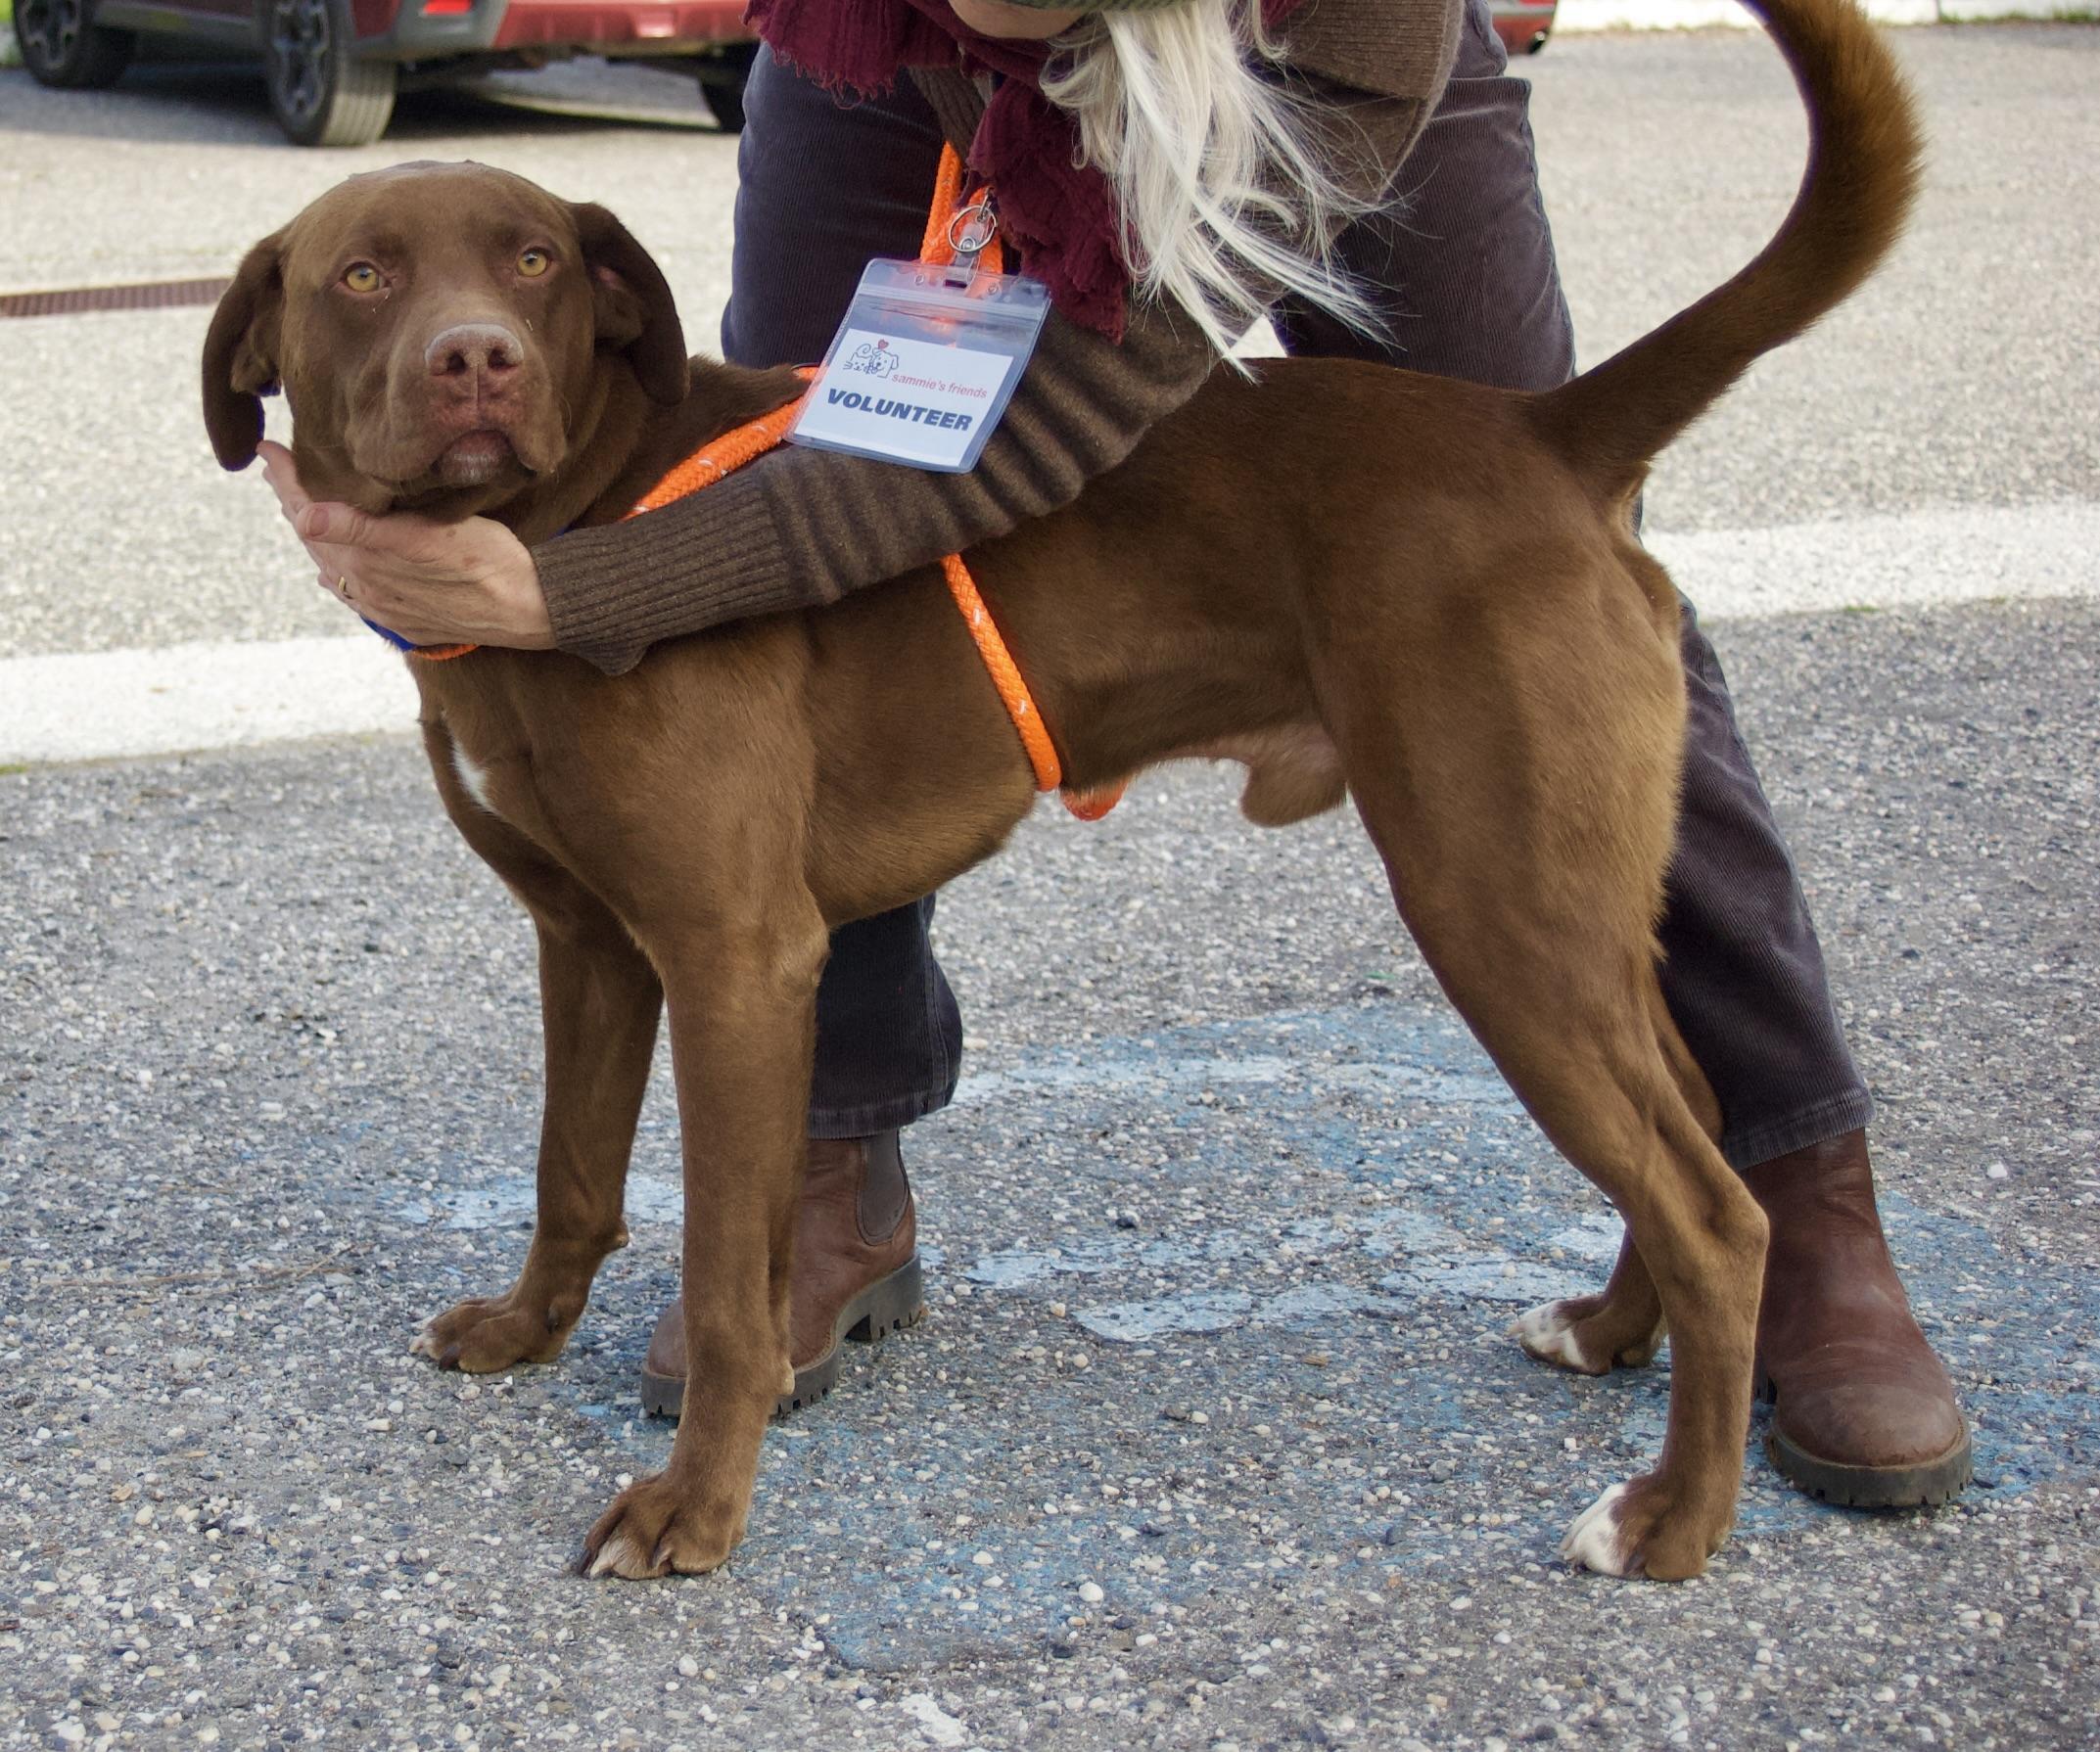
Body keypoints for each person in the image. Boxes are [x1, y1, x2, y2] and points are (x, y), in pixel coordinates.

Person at [261, 0, 1969, 1508]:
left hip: (1298, 71)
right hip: (877, 70)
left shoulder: (1343, 42)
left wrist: (582, 587)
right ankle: (826, 1169)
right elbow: (817, 473)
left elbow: (1039, 435)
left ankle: (1779, 1186)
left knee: (1528, 576)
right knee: (763, 646)